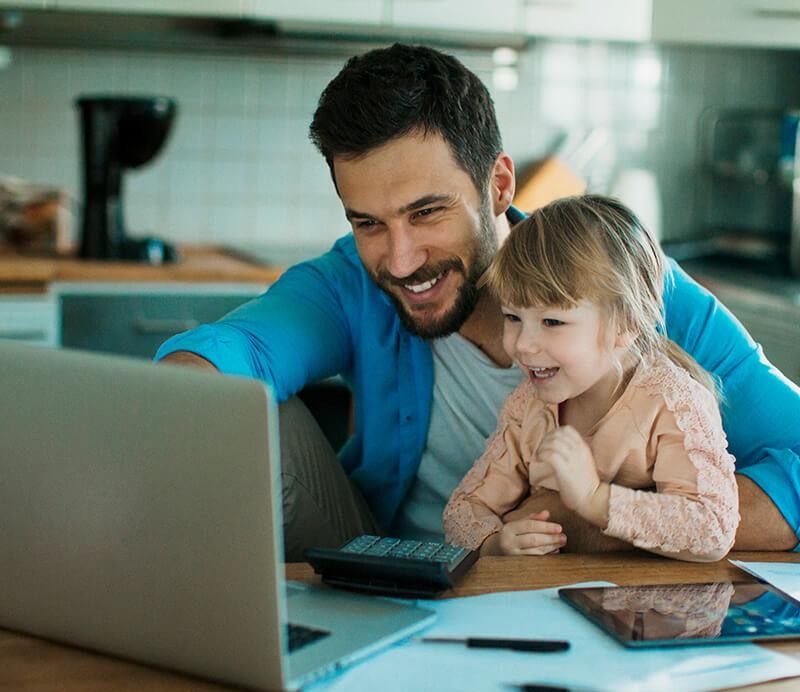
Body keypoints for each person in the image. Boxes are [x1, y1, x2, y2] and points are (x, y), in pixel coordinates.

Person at [155, 43, 800, 560]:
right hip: (396, 569)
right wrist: (168, 401)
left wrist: (577, 519)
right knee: (246, 409)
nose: (400, 260)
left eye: (427, 212)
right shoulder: (350, 280)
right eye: (368, 222)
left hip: (581, 594)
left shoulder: (627, 286)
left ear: (498, 184)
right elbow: (245, 346)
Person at [443, 195, 738, 561]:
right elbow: (462, 511)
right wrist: (495, 543)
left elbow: (713, 529)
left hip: (647, 611)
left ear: (626, 324)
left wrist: (594, 499)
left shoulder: (673, 401)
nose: (522, 345)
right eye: (512, 317)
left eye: (552, 322)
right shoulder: (528, 406)